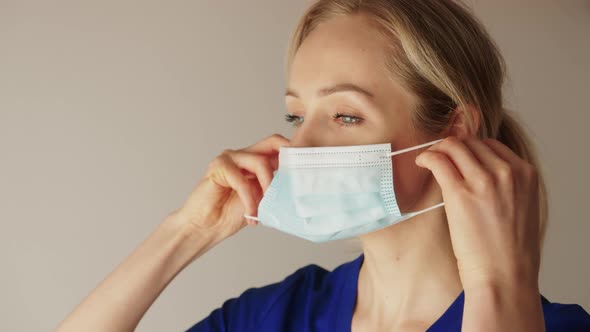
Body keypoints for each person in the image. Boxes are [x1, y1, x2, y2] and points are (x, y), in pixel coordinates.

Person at [56, 0, 590, 331]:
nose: (301, 145)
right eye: (294, 115)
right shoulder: (275, 316)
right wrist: (185, 231)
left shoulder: (549, 326)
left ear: (453, 129)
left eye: (345, 115)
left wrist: (499, 286)